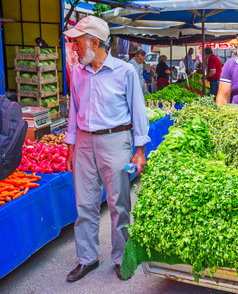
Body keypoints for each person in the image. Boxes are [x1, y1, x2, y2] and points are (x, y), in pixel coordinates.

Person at [62, 15, 150, 282]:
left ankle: (121, 257)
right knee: (85, 204)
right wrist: (71, 148)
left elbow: (139, 112)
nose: (74, 49)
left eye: (78, 43)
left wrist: (139, 152)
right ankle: (87, 258)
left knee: (119, 204)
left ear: (95, 42)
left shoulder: (125, 71)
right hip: (85, 145)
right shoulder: (77, 72)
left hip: (117, 143)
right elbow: (73, 111)